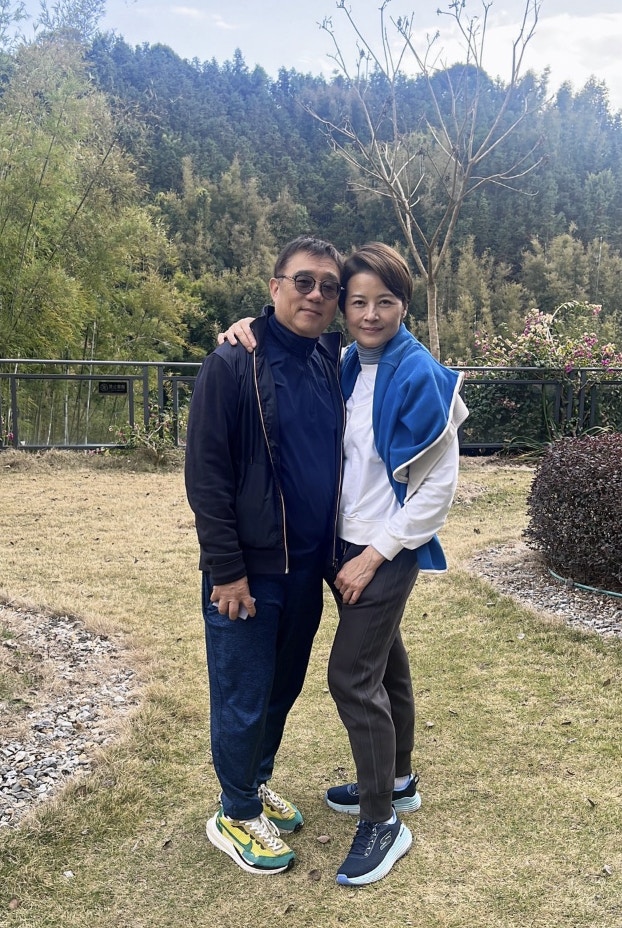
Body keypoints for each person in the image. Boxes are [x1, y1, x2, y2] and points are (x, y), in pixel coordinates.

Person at [222, 242, 468, 887]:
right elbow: (279, 340)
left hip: (382, 549)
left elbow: (436, 492)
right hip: (336, 543)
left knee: (351, 678)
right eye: (356, 301)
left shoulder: (421, 377)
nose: (369, 314)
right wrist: (245, 327)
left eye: (384, 301)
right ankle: (399, 778)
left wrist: (374, 556)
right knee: (386, 661)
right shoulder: (344, 362)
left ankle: (382, 820)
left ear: (404, 303)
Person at [184, 236, 345, 876]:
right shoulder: (232, 363)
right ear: (275, 286)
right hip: (248, 571)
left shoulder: (328, 357)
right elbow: (207, 475)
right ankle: (235, 812)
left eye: (328, 286)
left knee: (281, 687)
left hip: (305, 566)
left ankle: (255, 780)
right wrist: (226, 570)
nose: (316, 295)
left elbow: (386, 320)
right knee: (243, 694)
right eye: (303, 281)